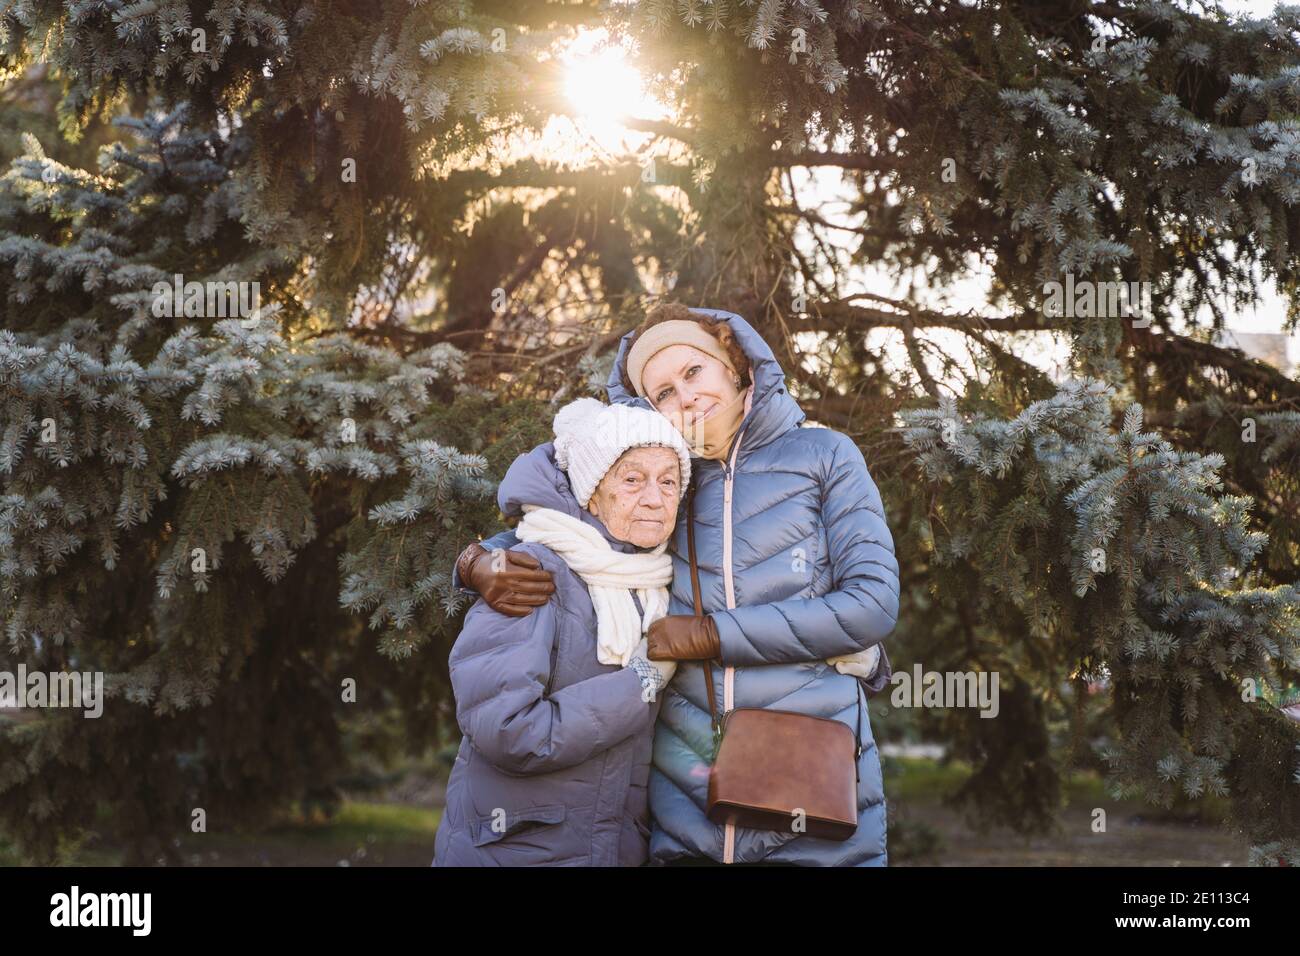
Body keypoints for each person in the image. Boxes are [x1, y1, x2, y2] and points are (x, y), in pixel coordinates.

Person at [454, 304, 900, 866]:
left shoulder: (826, 456)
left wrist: (713, 634)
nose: (684, 398)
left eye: (694, 373)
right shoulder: (666, 473)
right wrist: (480, 560)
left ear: (735, 366)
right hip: (686, 805)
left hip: (809, 778)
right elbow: (564, 522)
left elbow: (872, 602)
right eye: (662, 392)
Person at [432, 398, 691, 866]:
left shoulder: (656, 582)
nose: (654, 497)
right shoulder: (530, 572)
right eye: (632, 479)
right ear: (592, 492)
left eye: (668, 481)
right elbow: (511, 731)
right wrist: (643, 681)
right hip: (516, 851)